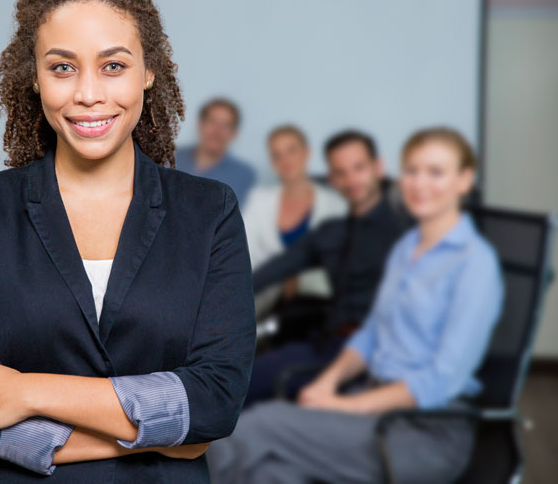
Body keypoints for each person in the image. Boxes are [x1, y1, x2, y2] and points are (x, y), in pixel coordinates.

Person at [0, 0, 256, 483]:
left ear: (148, 71)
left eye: (113, 66)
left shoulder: (210, 212)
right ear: (34, 78)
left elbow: (215, 404)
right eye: (62, 67)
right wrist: (168, 435)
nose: (88, 94)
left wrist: (24, 392)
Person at [208, 127, 504, 484]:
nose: (420, 183)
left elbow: (439, 380)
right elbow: (372, 334)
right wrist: (328, 385)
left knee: (254, 429)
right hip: (372, 402)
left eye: (436, 172)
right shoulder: (407, 248)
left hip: (424, 430)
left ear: (464, 180)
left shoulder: (475, 263)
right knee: (268, 473)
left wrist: (342, 406)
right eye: (412, 170)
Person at [245, 130, 410, 406]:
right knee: (236, 382)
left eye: (359, 168)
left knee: (245, 393)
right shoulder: (331, 233)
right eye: (341, 172)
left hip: (375, 356)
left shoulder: (406, 232)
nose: (351, 180)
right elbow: (267, 273)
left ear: (378, 168)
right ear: (332, 179)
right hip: (326, 344)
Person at [242, 124, 346, 316]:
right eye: (277, 155)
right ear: (272, 162)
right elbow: (242, 253)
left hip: (315, 303)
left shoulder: (336, 205)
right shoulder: (259, 200)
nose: (285, 160)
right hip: (260, 296)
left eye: (291, 150)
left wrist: (297, 278)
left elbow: (338, 268)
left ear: (307, 153)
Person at [175, 98, 256, 206]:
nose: (217, 131)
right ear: (199, 125)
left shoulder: (242, 176)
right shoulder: (170, 158)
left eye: (226, 125)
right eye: (212, 121)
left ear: (234, 133)